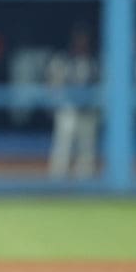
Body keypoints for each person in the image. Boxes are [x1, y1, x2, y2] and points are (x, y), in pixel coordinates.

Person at [46, 25, 101, 180]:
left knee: (86, 147)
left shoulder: (93, 61)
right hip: (67, 108)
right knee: (63, 146)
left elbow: (100, 86)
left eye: (84, 40)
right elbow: (53, 84)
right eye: (78, 39)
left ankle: (85, 180)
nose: (81, 43)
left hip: (87, 110)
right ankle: (57, 179)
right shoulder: (62, 59)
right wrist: (55, 103)